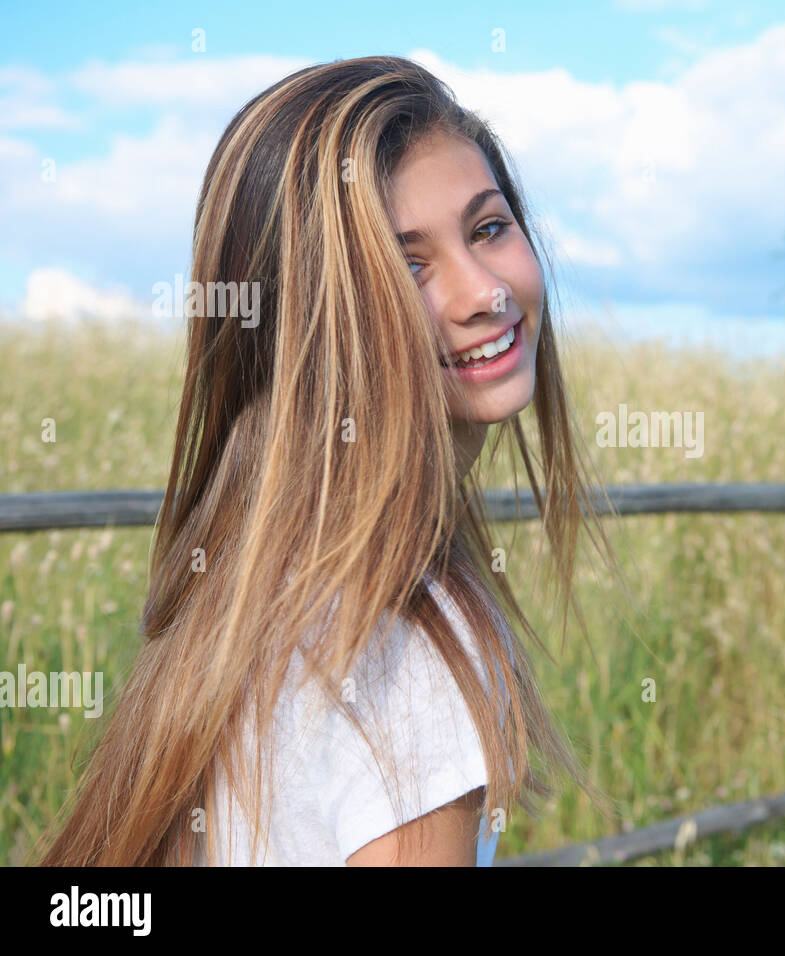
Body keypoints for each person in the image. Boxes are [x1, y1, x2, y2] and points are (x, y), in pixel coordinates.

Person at [36, 55, 626, 866]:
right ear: (309, 323)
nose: (483, 291)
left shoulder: (255, 587)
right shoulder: (406, 649)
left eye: (488, 228)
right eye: (407, 266)